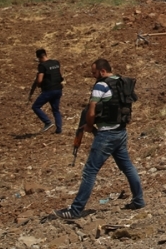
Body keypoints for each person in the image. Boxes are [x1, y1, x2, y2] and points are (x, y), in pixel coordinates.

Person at [55, 58, 144, 219]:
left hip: (107, 134)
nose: (94, 76)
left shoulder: (101, 85)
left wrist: (89, 126)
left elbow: (91, 110)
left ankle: (75, 210)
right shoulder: (121, 81)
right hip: (121, 132)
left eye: (94, 73)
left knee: (90, 171)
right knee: (128, 167)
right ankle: (139, 200)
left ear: (102, 71)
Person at [29, 48, 64, 133]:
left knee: (36, 106)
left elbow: (40, 80)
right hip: (58, 89)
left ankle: (47, 122)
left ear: (39, 57)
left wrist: (38, 84)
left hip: (49, 90)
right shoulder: (56, 62)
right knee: (56, 110)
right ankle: (59, 129)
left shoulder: (42, 66)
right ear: (45, 54)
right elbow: (59, 75)